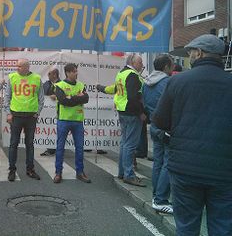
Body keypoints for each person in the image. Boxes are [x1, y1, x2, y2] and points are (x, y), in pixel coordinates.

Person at [153, 34, 232, 235]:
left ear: (200, 53)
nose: (190, 56)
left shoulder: (177, 82)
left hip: (185, 168)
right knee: (223, 226)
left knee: (187, 226)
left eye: (191, 53)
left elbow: (160, 121)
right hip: (224, 171)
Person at [98, 54, 146, 187]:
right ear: (132, 62)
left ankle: (122, 172)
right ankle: (129, 175)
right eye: (140, 62)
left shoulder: (121, 73)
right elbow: (133, 97)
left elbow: (115, 90)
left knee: (125, 143)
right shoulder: (132, 75)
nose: (142, 65)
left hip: (123, 111)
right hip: (132, 113)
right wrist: (141, 112)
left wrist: (101, 88)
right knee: (130, 144)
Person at [143, 54, 174, 214]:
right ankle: (161, 199)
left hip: (154, 125)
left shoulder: (146, 83)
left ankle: (156, 195)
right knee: (168, 162)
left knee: (158, 162)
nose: (174, 66)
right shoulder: (168, 82)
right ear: (166, 66)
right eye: (172, 64)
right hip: (167, 127)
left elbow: (144, 104)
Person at [4, 58, 44, 181]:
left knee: (29, 144)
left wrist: (37, 112)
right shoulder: (12, 77)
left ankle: (30, 169)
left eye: (20, 66)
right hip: (16, 115)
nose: (17, 68)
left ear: (27, 67)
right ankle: (12, 169)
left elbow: (41, 97)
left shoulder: (37, 78)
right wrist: (8, 113)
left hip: (31, 116)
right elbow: (7, 96)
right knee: (13, 143)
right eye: (17, 66)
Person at [53, 64, 91, 184]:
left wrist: (71, 98)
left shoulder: (81, 85)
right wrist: (77, 97)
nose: (76, 73)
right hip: (63, 120)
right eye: (74, 72)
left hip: (78, 120)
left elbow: (86, 99)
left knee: (79, 148)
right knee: (60, 147)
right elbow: (64, 101)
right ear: (68, 73)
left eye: (76, 71)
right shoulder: (59, 86)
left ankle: (80, 172)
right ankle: (58, 172)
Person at [40, 68, 60, 156]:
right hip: (47, 112)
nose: (48, 75)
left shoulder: (62, 84)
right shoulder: (46, 84)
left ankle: (57, 148)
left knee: (57, 130)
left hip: (59, 111)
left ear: (54, 75)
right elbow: (41, 94)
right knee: (49, 129)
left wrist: (57, 96)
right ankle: (50, 148)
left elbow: (67, 95)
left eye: (49, 74)